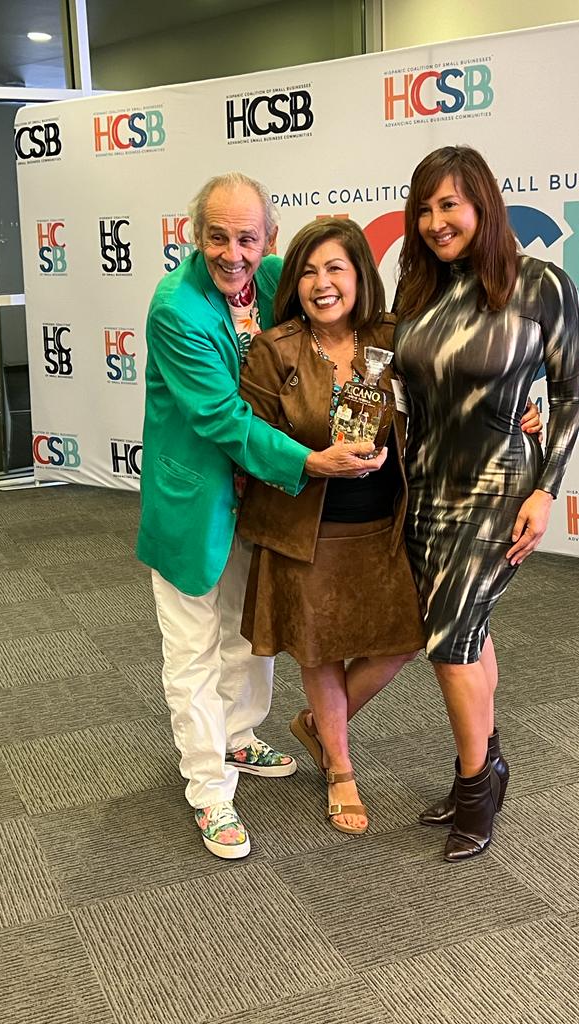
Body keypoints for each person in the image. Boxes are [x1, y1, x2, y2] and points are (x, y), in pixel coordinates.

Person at [136, 173, 387, 860]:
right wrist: (310, 463)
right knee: (191, 650)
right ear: (196, 235)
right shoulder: (177, 310)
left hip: (261, 503)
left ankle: (239, 736)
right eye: (217, 236)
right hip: (196, 502)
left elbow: (343, 304)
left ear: (268, 238)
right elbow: (221, 417)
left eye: (247, 237)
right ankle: (209, 790)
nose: (232, 253)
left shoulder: (276, 275)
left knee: (247, 635)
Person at [394, 146, 579, 861]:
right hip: (428, 487)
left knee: (450, 638)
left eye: (450, 204)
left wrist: (546, 490)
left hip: (499, 487)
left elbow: (566, 397)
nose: (436, 221)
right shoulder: (418, 291)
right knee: (466, 630)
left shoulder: (542, 287)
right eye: (425, 207)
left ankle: (476, 788)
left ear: (483, 204)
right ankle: (489, 764)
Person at [237, 218, 425, 835]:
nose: (322, 284)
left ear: (359, 275)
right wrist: (311, 460)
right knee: (318, 650)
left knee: (404, 639)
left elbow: (447, 393)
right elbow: (250, 441)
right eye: (310, 271)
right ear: (295, 282)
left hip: (385, 525)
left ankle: (319, 725)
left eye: (335, 268)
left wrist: (521, 405)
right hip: (307, 528)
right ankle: (341, 769)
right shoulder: (274, 349)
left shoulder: (393, 337)